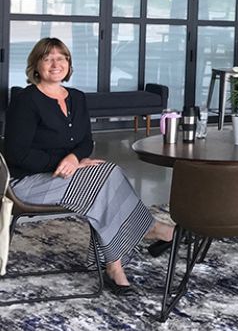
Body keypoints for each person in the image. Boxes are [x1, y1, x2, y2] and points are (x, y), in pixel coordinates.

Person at [3, 38, 174, 296]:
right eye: (48, 58)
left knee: (106, 176)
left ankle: (115, 263)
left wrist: (75, 158)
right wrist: (64, 162)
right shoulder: (25, 100)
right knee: (102, 180)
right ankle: (148, 232)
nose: (55, 63)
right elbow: (16, 153)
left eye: (62, 58)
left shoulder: (77, 98)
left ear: (69, 64)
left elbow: (85, 141)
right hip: (28, 183)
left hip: (64, 176)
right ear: (36, 65)